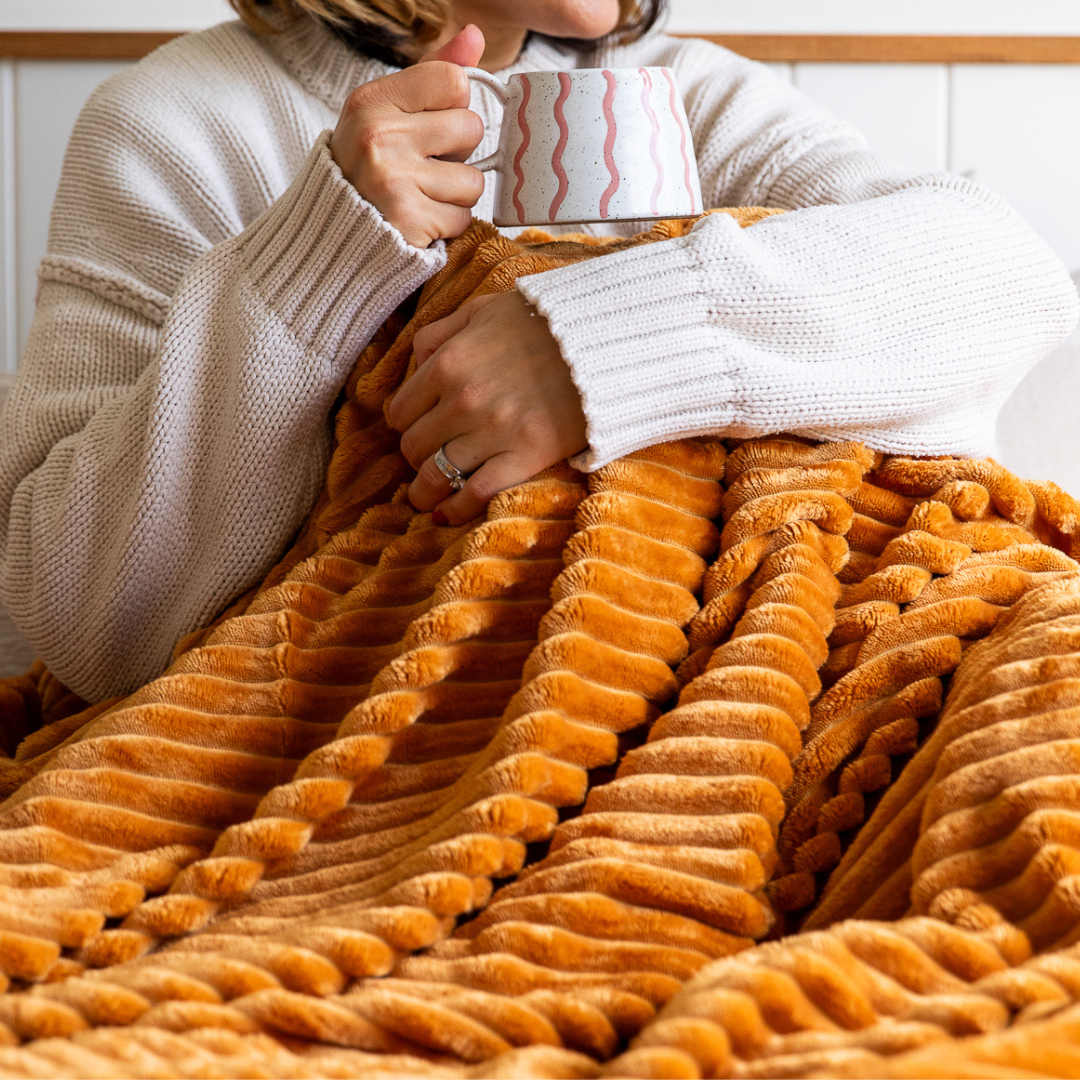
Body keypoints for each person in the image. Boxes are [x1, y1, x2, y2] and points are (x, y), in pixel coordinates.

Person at [0, 0, 1075, 704]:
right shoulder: (183, 121)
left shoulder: (676, 97)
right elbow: (84, 619)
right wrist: (320, 253)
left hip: (732, 702)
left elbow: (1000, 272)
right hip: (383, 749)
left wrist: (591, 350)